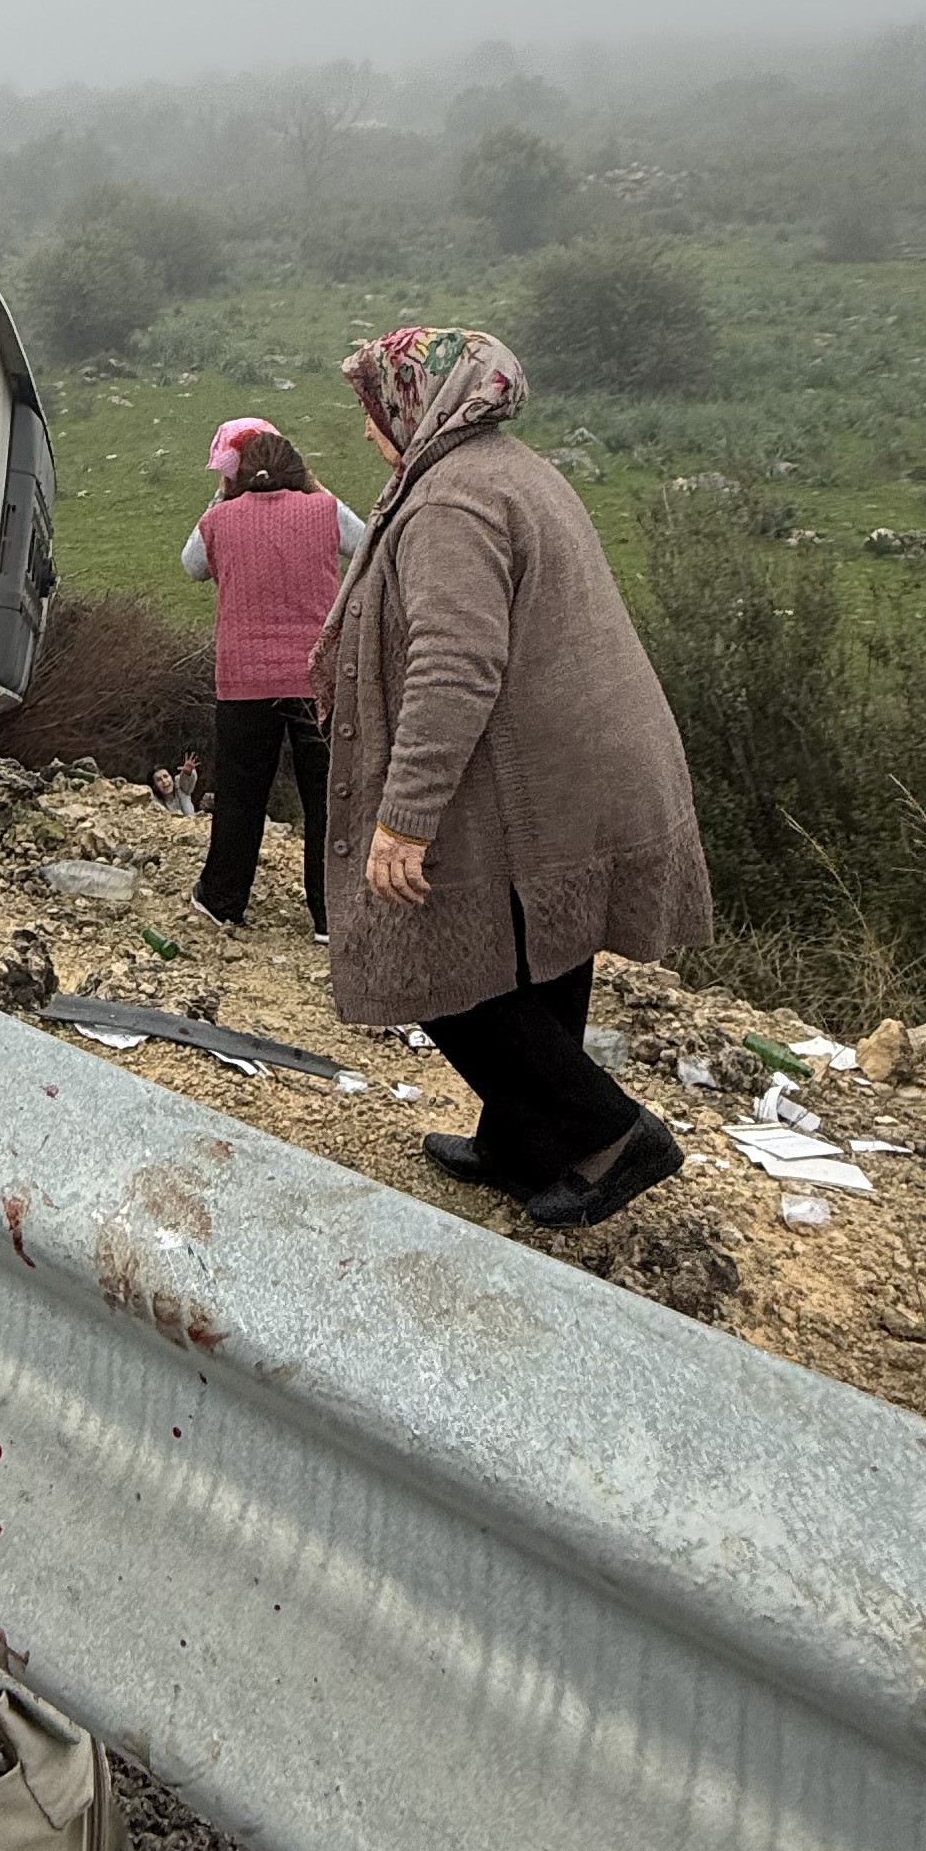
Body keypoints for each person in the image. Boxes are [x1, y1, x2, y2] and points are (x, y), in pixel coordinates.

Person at [310, 324, 710, 1231]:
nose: (370, 428)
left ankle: (608, 1135)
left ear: (421, 404)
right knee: (541, 950)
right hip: (578, 764)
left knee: (432, 959)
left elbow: (455, 666)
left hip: (547, 771)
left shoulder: (451, 503)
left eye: (377, 408)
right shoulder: (509, 468)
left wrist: (404, 817)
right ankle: (521, 1140)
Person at [181, 421, 365, 938]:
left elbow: (192, 565)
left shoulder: (222, 519)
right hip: (318, 683)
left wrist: (222, 498)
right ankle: (331, 915)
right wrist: (318, 488)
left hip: (243, 681)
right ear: (300, 471)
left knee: (241, 795)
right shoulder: (323, 511)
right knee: (328, 797)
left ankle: (222, 900)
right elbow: (371, 543)